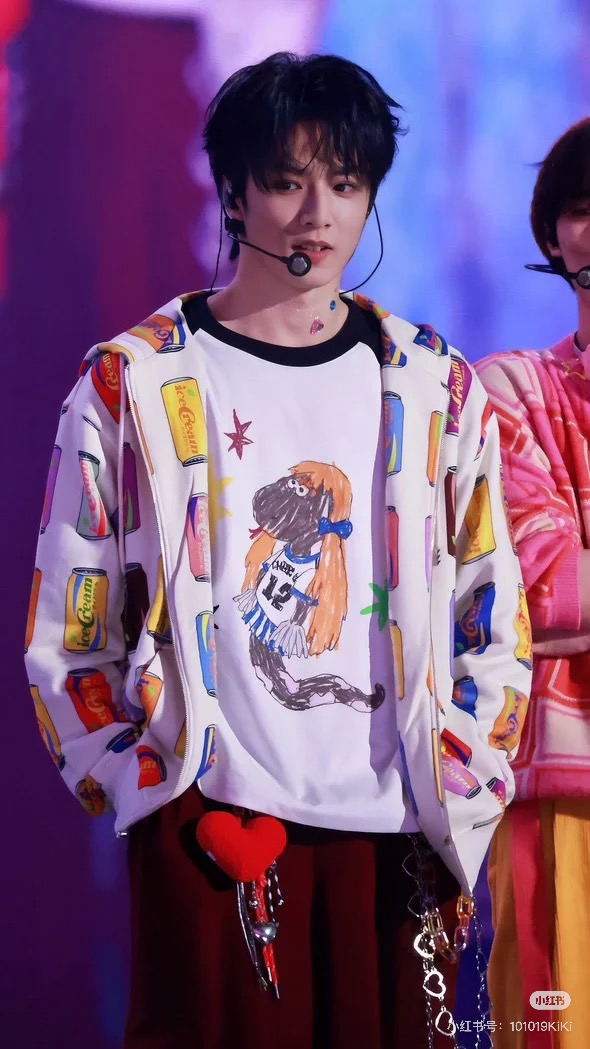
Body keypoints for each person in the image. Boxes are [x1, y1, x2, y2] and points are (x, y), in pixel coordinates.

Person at [24, 52, 531, 1049]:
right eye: (289, 181)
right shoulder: (134, 385)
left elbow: (491, 600)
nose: (317, 214)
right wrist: (145, 784)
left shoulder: (432, 386)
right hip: (211, 827)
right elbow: (69, 620)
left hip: (399, 833)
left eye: (344, 183)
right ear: (234, 191)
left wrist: (466, 772)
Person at [476, 118, 590, 1049]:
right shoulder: (511, 392)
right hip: (563, 792)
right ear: (554, 236)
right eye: (585, 209)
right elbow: (541, 588)